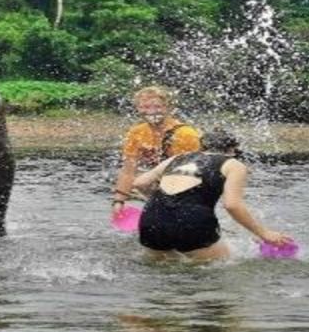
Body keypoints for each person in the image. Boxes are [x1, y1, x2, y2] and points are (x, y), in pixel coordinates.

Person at [115, 128, 292, 261]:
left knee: (163, 270)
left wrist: (164, 203)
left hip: (152, 219)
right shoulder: (233, 164)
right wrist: (264, 234)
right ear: (233, 149)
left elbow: (138, 183)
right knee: (223, 268)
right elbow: (232, 205)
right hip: (192, 222)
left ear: (202, 146)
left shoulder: (178, 158)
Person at [112, 86, 201, 218]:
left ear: (169, 108)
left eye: (158, 107)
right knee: (138, 180)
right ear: (137, 108)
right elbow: (128, 170)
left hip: (190, 182)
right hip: (163, 182)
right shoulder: (136, 133)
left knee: (143, 182)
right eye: (145, 107)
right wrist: (119, 201)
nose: (151, 112)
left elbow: (194, 173)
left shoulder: (185, 134)